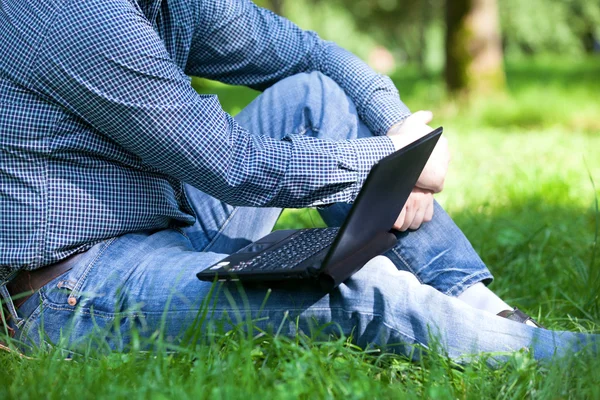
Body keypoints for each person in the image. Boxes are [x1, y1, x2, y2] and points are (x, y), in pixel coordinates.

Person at [0, 0, 596, 359]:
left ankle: (480, 308)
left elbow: (307, 53)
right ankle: (555, 360)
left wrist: (401, 142)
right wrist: (377, 159)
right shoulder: (76, 16)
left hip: (169, 215)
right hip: (76, 284)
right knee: (356, 287)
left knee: (314, 97)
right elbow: (232, 165)